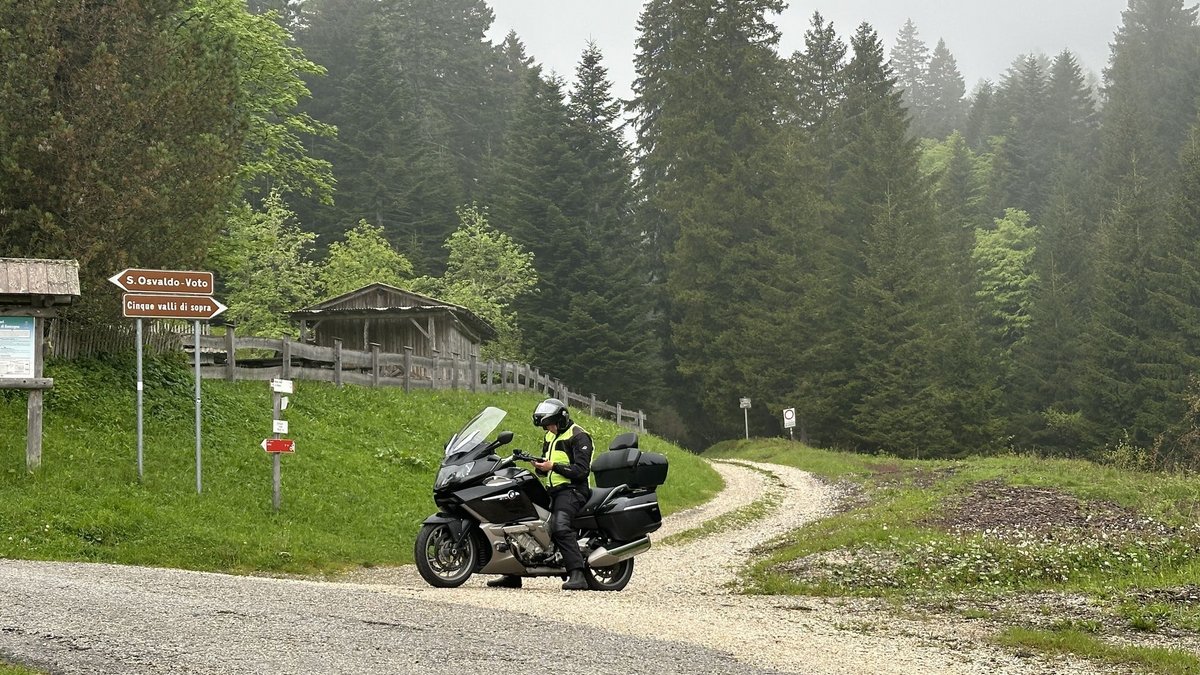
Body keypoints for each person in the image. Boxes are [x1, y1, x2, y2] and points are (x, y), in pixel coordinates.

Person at [487, 397, 594, 591]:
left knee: (560, 526)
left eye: (550, 425)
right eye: (545, 426)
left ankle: (578, 574)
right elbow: (547, 467)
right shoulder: (549, 437)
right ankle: (513, 573)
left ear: (561, 420)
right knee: (518, 519)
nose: (548, 429)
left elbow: (581, 471)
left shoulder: (579, 436)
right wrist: (539, 466)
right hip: (552, 490)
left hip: (573, 491)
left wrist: (553, 466)